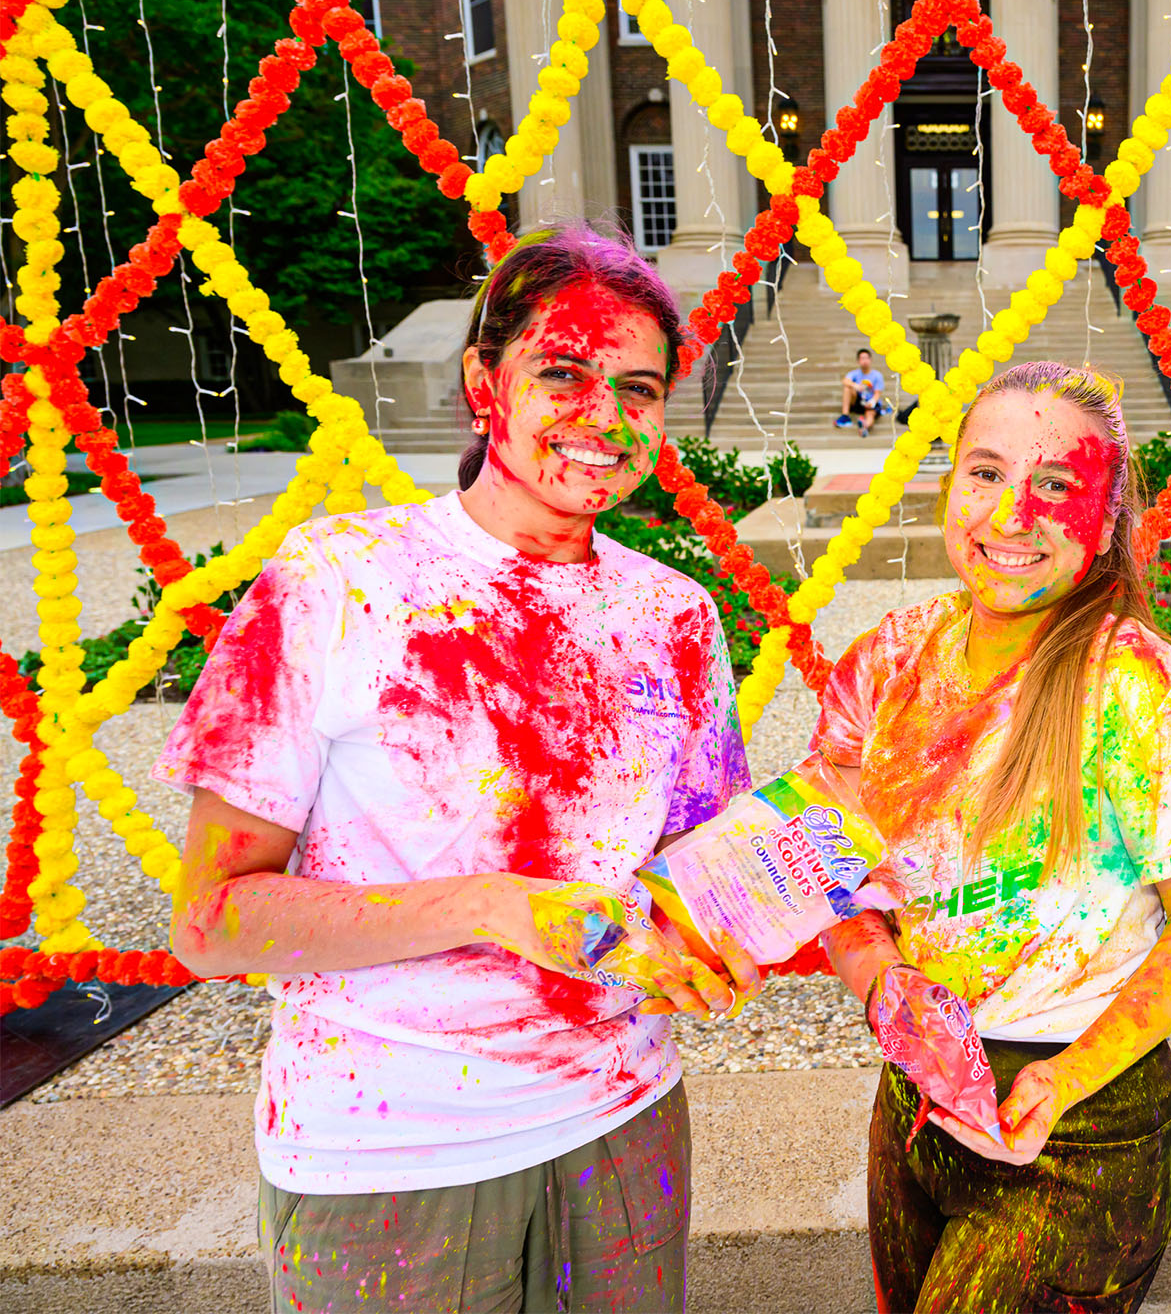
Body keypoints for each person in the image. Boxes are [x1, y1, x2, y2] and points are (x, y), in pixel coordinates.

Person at [159, 222, 762, 1314]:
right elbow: (212, 924)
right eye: (562, 373)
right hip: (388, 1153)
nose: (603, 419)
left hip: (626, 1126)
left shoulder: (676, 615)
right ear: (486, 383)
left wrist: (757, 914)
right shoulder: (338, 576)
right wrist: (494, 906)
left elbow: (695, 872)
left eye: (639, 388)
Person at [814, 362, 1171, 1313]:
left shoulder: (1141, 691)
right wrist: (882, 982)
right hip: (913, 1101)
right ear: (949, 485)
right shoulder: (887, 659)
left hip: (1076, 1125)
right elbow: (831, 870)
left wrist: (1068, 1076)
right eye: (986, 472)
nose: (1013, 514)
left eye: (1056, 485)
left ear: (1104, 524)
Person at [841, 346, 889, 437]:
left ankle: (864, 426)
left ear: (870, 360)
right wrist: (855, 386)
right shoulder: (854, 373)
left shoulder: (877, 375)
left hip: (871, 402)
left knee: (870, 414)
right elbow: (845, 381)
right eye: (862, 358)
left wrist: (872, 402)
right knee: (848, 387)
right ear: (858, 361)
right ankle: (845, 416)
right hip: (858, 401)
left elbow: (877, 393)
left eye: (867, 358)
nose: (865, 361)